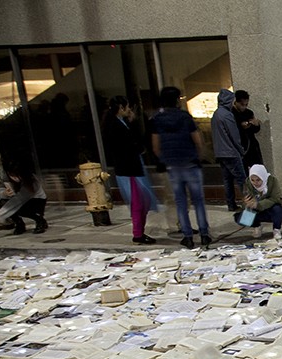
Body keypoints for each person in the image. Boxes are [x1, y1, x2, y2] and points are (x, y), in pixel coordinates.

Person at [150, 86, 211, 249]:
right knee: (198, 200)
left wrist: (165, 160)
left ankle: (187, 236)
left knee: (181, 201)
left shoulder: (157, 119)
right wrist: (198, 156)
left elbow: (156, 146)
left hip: (173, 166)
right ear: (177, 100)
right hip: (190, 163)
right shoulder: (185, 117)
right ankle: (204, 234)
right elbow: (197, 141)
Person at [102, 95, 157, 244]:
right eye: (127, 107)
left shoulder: (117, 123)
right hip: (129, 169)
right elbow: (131, 144)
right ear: (121, 108)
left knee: (141, 201)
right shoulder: (116, 126)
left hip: (129, 168)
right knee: (138, 202)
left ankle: (139, 232)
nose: (129, 110)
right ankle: (138, 233)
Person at [211, 89, 246, 212]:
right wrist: (241, 150)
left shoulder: (216, 114)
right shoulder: (227, 115)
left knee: (227, 180)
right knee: (242, 180)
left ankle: (231, 204)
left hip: (220, 153)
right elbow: (234, 136)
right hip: (230, 152)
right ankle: (249, 208)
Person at [0, 160, 47, 235]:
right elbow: (0, 190)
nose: (15, 178)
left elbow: (20, 199)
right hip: (18, 200)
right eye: (12, 175)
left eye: (17, 175)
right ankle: (19, 224)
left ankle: (40, 220)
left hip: (36, 201)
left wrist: (0, 215)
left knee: (19, 209)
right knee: (2, 202)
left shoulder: (32, 180)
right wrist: (4, 193)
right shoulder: (7, 178)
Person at [240, 164, 282, 242]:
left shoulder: (272, 181)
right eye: (252, 180)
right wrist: (247, 204)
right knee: (241, 217)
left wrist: (259, 204)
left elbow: (275, 199)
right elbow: (246, 199)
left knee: (278, 209)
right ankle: (257, 226)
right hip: (257, 209)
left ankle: (276, 229)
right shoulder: (248, 183)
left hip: (270, 208)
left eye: (258, 180)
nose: (255, 183)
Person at [232, 89, 263, 171]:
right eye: (242, 104)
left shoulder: (249, 113)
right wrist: (245, 126)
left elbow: (255, 129)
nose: (244, 107)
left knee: (257, 169)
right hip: (240, 146)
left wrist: (255, 124)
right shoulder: (232, 113)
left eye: (246, 104)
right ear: (236, 102)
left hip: (251, 145)